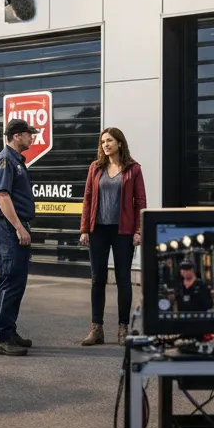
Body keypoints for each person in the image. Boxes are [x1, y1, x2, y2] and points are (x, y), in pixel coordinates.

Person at [79, 127, 147, 346]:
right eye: (103, 142)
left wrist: (138, 231)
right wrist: (84, 229)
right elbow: (88, 199)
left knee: (123, 280)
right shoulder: (95, 168)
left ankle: (122, 328)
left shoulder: (133, 169)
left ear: (119, 143)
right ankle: (96, 329)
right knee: (97, 279)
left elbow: (140, 202)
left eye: (109, 141)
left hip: (123, 231)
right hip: (98, 229)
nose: (105, 144)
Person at [0, 117, 38, 356]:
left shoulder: (16, 161)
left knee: (15, 282)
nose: (32, 137)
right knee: (10, 281)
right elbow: (2, 196)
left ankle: (9, 330)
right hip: (10, 229)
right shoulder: (6, 161)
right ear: (17, 135)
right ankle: (3, 337)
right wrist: (19, 227)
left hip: (14, 227)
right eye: (29, 134)